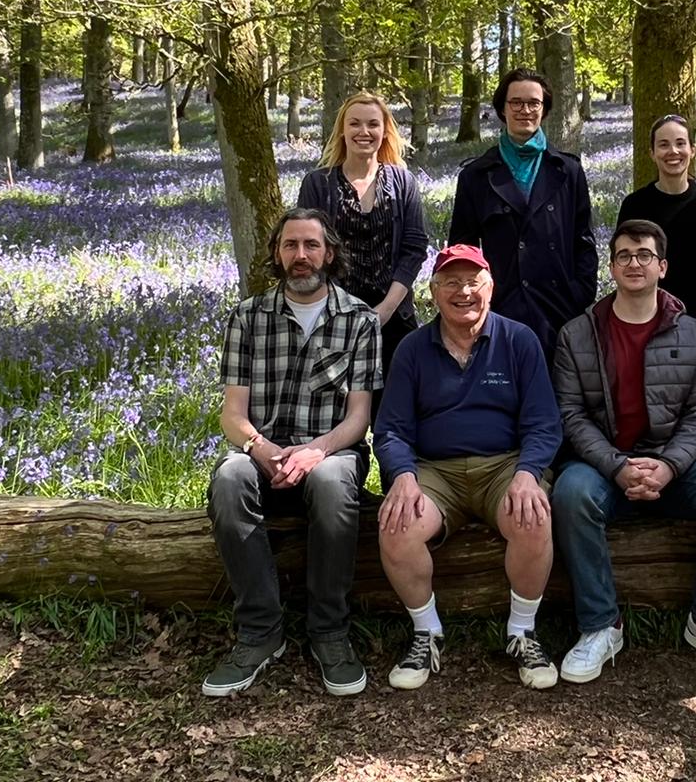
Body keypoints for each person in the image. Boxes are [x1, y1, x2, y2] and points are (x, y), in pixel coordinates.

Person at [549, 219, 696, 684]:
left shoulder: (691, 333)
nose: (634, 263)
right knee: (569, 493)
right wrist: (617, 465)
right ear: (612, 267)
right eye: (624, 255)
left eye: (644, 255)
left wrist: (668, 465)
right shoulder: (578, 334)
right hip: (605, 465)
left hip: (676, 464)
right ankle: (601, 626)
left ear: (662, 266)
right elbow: (571, 415)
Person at [204, 208, 380, 698]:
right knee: (228, 479)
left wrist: (314, 452)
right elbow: (231, 414)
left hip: (332, 449)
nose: (301, 256)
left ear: (329, 253)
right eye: (290, 246)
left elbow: (358, 419)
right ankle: (260, 632)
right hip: (262, 447)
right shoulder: (247, 316)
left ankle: (330, 631)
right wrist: (260, 447)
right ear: (277, 255)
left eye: (311, 245)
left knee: (328, 484)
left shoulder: (360, 320)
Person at [372, 244, 563, 691]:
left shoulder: (519, 340)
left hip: (504, 466)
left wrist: (527, 473)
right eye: (451, 282)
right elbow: (391, 429)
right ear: (434, 292)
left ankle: (522, 632)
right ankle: (427, 633)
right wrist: (401, 475)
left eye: (473, 281)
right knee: (397, 526)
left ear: (491, 287)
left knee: (532, 516)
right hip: (434, 471)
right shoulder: (411, 350)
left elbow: (544, 423)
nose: (464, 292)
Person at [447, 67, 599, 360]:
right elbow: (461, 251)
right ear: (503, 109)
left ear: (544, 109)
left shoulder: (568, 171)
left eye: (533, 103)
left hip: (558, 310)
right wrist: (477, 303)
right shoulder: (476, 176)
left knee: (559, 401)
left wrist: (579, 293)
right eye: (516, 102)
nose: (525, 110)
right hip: (500, 310)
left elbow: (584, 241)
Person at [296, 91, 428, 393]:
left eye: (372, 124)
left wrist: (384, 310)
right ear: (342, 130)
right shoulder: (318, 183)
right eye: (354, 124)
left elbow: (414, 248)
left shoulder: (402, 182)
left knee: (394, 411)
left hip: (394, 317)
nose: (363, 132)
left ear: (385, 132)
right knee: (337, 412)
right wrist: (340, 310)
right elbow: (309, 249)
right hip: (332, 319)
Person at [617, 113, 696, 335]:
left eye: (680, 143)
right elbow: (624, 263)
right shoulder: (635, 205)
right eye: (664, 145)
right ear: (652, 153)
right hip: (649, 321)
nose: (673, 152)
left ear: (692, 150)